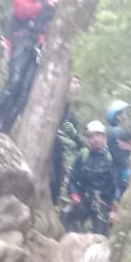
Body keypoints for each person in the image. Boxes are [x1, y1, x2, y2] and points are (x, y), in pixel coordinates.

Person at [0, 0, 68, 133]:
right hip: (23, 39)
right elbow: (20, 11)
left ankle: (3, 130)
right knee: (14, 83)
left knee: (24, 95)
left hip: (41, 48)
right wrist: (47, 3)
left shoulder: (63, 3)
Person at [62, 120, 119, 235]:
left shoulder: (111, 158)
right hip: (84, 201)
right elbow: (73, 178)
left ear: (104, 137)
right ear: (87, 139)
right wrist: (74, 194)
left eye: (98, 135)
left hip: (103, 205)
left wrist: (114, 210)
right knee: (65, 216)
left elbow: (117, 187)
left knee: (99, 236)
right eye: (91, 136)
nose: (95, 139)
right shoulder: (83, 156)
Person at [49, 73, 82, 204]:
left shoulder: (70, 113)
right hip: (48, 151)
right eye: (74, 82)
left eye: (78, 83)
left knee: (57, 184)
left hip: (59, 153)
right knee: (50, 180)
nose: (77, 86)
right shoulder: (55, 103)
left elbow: (75, 136)